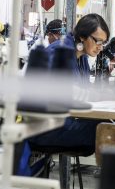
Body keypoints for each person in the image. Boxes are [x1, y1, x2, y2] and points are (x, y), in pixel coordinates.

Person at [28, 13, 110, 152]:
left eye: (104, 43)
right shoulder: (58, 52)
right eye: (98, 41)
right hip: (43, 127)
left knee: (107, 126)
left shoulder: (81, 56)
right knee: (107, 132)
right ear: (83, 36)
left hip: (62, 120)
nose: (100, 47)